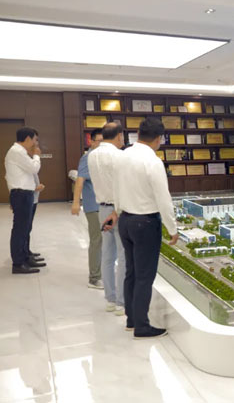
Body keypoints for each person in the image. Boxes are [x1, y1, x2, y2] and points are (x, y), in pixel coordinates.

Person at [111, 118, 178, 338]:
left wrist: (117, 211)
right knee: (144, 276)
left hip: (125, 220)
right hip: (146, 223)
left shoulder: (121, 156)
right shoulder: (153, 162)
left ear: (138, 134)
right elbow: (163, 198)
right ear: (159, 139)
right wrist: (172, 228)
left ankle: (131, 319)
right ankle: (142, 325)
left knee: (131, 272)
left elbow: (115, 188)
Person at [88, 123, 126, 315]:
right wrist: (118, 211)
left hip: (102, 209)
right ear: (119, 136)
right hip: (118, 211)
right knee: (123, 255)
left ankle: (110, 299)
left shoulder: (91, 155)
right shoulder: (119, 156)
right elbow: (123, 186)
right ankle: (121, 302)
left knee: (108, 255)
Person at [4, 127, 44, 274]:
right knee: (20, 229)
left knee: (24, 228)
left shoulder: (19, 152)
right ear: (27, 139)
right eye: (35, 139)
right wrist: (37, 156)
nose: (35, 143)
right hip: (21, 195)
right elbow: (34, 169)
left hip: (24, 194)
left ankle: (24, 257)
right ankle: (18, 263)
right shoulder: (17, 152)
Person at [71, 128, 104, 289]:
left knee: (105, 241)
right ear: (91, 141)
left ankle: (103, 272)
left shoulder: (104, 158)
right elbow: (80, 180)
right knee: (96, 240)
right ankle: (94, 278)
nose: (102, 145)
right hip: (93, 206)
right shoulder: (87, 158)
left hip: (105, 205)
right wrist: (76, 203)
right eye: (99, 141)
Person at [25, 149, 46, 266]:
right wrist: (36, 188)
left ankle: (27, 252)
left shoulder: (29, 162)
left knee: (28, 227)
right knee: (25, 228)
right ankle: (25, 255)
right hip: (28, 199)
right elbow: (22, 184)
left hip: (33, 199)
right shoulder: (26, 161)